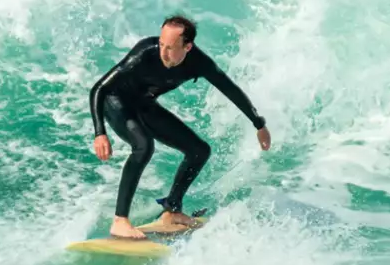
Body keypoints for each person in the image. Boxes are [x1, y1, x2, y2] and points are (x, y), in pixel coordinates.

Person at [88, 15, 271, 240]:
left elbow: (229, 89)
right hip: (116, 102)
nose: (163, 52)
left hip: (144, 103)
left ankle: (172, 211)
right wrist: (100, 133)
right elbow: (99, 89)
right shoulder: (145, 53)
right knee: (143, 146)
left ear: (188, 46)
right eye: (162, 44)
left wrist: (258, 124)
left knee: (199, 151)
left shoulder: (199, 63)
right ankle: (120, 221)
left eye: (170, 47)